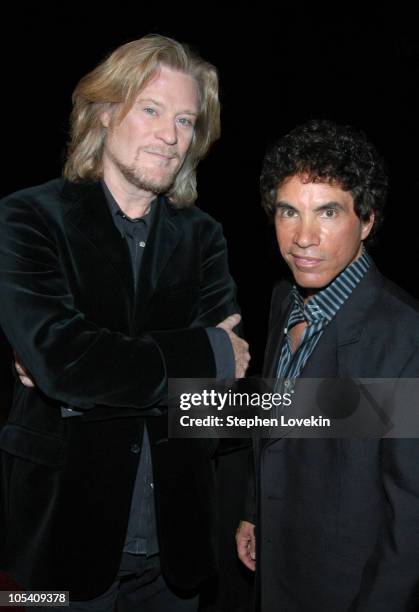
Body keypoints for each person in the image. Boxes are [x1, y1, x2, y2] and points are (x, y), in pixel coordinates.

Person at [0, 34, 250, 611]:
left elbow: (218, 398)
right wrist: (202, 352)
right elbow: (66, 364)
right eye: (152, 109)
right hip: (58, 544)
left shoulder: (204, 236)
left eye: (186, 120)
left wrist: (84, 373)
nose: (172, 135)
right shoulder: (29, 217)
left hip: (176, 551)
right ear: (105, 111)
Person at [236, 120, 419, 611]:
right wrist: (255, 509)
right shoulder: (282, 298)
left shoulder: (405, 337)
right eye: (288, 212)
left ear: (367, 220)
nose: (303, 237)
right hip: (277, 568)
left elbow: (411, 517)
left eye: (328, 212)